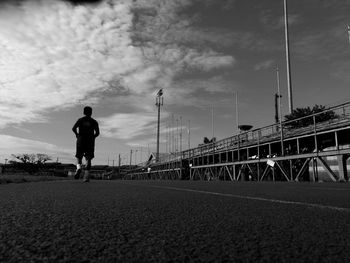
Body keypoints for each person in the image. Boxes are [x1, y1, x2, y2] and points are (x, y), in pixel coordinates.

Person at [72, 106, 100, 182]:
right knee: (88, 158)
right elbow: (97, 133)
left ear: (84, 112)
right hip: (90, 141)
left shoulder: (80, 120)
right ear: (91, 112)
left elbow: (73, 128)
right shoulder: (94, 122)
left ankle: (78, 168)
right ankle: (86, 177)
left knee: (79, 157)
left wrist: (77, 135)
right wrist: (93, 137)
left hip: (80, 140)